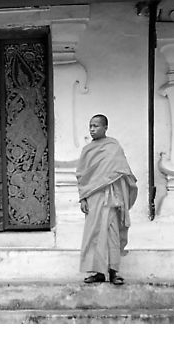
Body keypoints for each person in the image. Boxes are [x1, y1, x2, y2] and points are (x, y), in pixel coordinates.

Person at [76, 114, 137, 285]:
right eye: (90, 126)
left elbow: (124, 172)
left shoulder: (113, 146)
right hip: (94, 198)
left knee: (112, 233)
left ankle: (113, 271)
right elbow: (82, 176)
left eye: (96, 126)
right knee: (94, 234)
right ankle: (98, 272)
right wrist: (83, 198)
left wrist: (124, 194)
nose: (92, 129)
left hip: (112, 199)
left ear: (105, 127)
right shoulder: (87, 151)